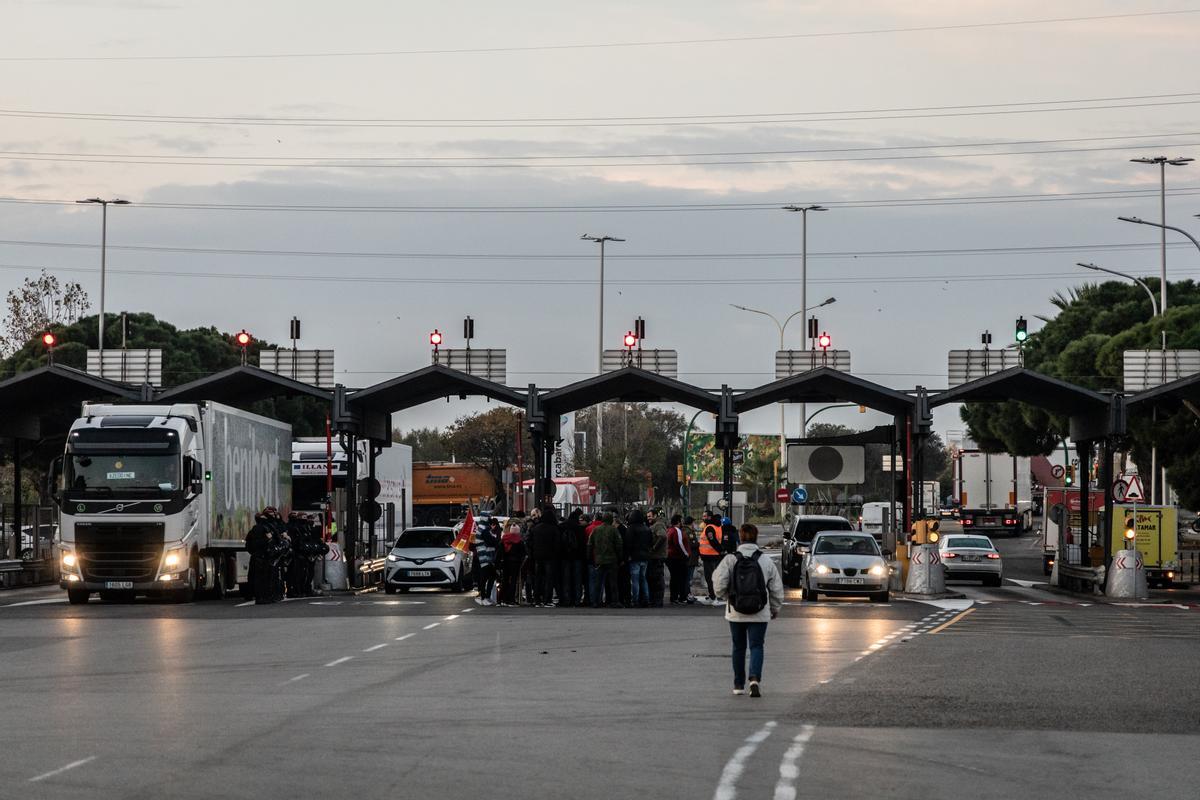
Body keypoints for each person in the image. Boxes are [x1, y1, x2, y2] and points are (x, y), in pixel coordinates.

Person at [713, 524, 784, 697]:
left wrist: (725, 596)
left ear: (740, 537)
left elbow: (719, 583)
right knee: (757, 646)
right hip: (759, 612)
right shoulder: (765, 560)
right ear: (756, 537)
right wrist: (775, 607)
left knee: (738, 647)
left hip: (736, 611)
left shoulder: (730, 559)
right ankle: (754, 679)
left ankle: (738, 684)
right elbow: (776, 587)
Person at [587, 512, 623, 608]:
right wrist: (621, 558)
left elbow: (590, 544)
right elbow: (619, 545)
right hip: (612, 560)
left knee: (598, 582)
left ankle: (596, 601)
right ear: (611, 520)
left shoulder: (596, 530)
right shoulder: (614, 530)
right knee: (613, 583)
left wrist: (590, 558)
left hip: (599, 560)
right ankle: (614, 601)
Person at [529, 505, 561, 606]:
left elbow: (530, 542)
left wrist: (533, 553)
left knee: (538, 578)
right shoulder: (554, 529)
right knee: (549, 579)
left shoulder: (536, 528)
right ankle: (547, 599)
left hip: (538, 556)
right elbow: (557, 544)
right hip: (550, 557)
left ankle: (537, 599)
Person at [244, 510, 276, 604]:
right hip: (262, 556)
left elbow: (248, 545)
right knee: (262, 578)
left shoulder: (255, 530)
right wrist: (267, 541)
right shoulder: (262, 529)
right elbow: (260, 543)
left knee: (259, 578)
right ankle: (262, 597)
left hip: (258, 556)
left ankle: (260, 596)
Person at [624, 509, 653, 608]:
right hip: (645, 557)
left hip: (634, 557)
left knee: (634, 580)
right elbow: (650, 542)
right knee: (643, 579)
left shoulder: (631, 528)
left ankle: (635, 600)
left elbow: (628, 544)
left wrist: (627, 556)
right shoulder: (646, 528)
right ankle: (646, 599)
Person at [559, 509, 586, 608]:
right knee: (577, 579)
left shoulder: (561, 527)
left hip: (565, 557)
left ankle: (567, 599)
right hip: (577, 557)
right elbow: (583, 545)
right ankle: (577, 600)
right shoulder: (580, 528)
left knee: (566, 579)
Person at [698, 512, 725, 604]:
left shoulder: (710, 528)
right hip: (713, 556)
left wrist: (720, 550)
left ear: (710, 518)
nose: (703, 518)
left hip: (709, 556)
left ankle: (714, 597)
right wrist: (721, 551)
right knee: (712, 577)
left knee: (710, 578)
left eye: (705, 516)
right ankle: (713, 596)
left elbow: (712, 540)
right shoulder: (718, 527)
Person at [498, 521, 526, 606]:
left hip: (505, 562)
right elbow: (523, 553)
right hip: (515, 563)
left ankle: (501, 599)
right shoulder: (519, 540)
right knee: (513, 581)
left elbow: (500, 551)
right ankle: (511, 599)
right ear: (518, 531)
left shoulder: (504, 539)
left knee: (504, 580)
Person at [665, 513, 691, 604]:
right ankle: (679, 597)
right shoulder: (677, 531)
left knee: (675, 578)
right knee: (680, 578)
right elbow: (679, 544)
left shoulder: (670, 530)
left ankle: (674, 597)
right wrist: (686, 554)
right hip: (677, 558)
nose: (683, 522)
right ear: (678, 522)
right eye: (681, 520)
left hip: (671, 557)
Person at [474, 517, 500, 605]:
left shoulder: (482, 530)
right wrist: (495, 540)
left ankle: (484, 597)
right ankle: (484, 597)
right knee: (487, 577)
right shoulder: (485, 531)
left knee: (487, 577)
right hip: (486, 557)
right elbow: (492, 542)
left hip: (484, 557)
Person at [647, 509, 668, 608]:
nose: (648, 518)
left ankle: (658, 601)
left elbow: (663, 536)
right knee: (654, 579)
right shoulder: (655, 525)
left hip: (657, 557)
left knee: (657, 580)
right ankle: (655, 600)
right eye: (647, 517)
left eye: (650, 516)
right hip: (656, 557)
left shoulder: (658, 525)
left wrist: (654, 548)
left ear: (655, 516)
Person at [684, 516, 700, 604]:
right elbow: (691, 544)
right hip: (690, 558)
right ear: (691, 523)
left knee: (688, 577)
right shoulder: (688, 532)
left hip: (691, 558)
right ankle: (688, 595)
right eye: (693, 523)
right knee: (688, 578)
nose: (695, 525)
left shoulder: (688, 531)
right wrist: (698, 543)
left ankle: (687, 594)